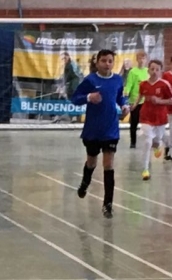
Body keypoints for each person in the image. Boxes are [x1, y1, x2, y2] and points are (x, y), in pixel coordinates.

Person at [71, 49, 130, 219]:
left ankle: (108, 204)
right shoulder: (90, 80)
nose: (107, 64)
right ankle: (85, 182)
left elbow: (120, 97)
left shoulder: (117, 80)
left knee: (108, 164)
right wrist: (89, 97)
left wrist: (124, 105)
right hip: (93, 129)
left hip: (111, 129)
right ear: (97, 63)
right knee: (91, 162)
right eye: (103, 61)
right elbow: (75, 99)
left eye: (110, 61)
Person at [137, 59, 172, 181]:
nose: (154, 71)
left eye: (157, 69)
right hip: (146, 116)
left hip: (160, 117)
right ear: (148, 70)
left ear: (161, 71)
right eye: (152, 69)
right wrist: (134, 105)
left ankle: (158, 145)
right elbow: (140, 95)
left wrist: (159, 101)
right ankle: (145, 169)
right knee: (147, 141)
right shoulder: (143, 84)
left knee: (156, 140)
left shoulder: (164, 85)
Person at [123, 50, 150, 149]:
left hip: (146, 101)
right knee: (134, 122)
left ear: (146, 60)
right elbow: (129, 84)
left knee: (148, 123)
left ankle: (149, 140)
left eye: (143, 58)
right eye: (140, 58)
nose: (141, 60)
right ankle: (133, 142)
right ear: (137, 60)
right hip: (134, 101)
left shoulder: (148, 71)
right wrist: (126, 92)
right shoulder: (132, 71)